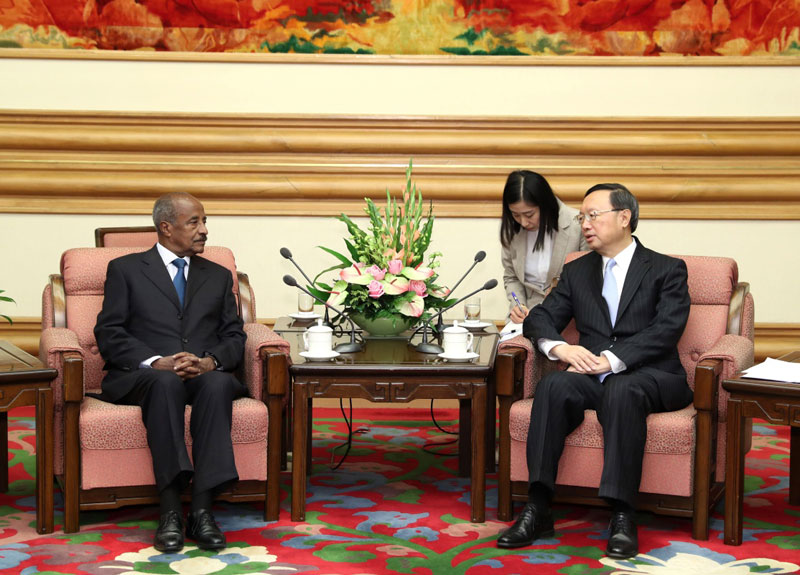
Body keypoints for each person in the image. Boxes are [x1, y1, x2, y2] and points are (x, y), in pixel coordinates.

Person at [497, 183, 692, 559]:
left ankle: (623, 514)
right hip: (593, 376)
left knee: (623, 389)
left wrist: (612, 359)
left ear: (624, 217)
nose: (585, 224)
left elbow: (666, 330)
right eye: (582, 217)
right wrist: (562, 348)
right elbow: (540, 318)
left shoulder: (666, 269)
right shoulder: (577, 271)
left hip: (652, 375)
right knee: (554, 386)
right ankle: (538, 507)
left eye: (593, 215)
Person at [94, 192, 247, 553]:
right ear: (165, 227)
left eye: (204, 221)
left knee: (217, 385)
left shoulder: (217, 275)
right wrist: (154, 360)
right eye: (194, 222)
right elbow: (109, 332)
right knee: (164, 382)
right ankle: (170, 511)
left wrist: (210, 361)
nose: (204, 230)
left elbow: (234, 335)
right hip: (147, 376)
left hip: (201, 372)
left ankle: (202, 511)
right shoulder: (126, 269)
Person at [500, 170, 587, 324]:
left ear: (545, 204)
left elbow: (587, 281)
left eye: (529, 215)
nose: (523, 222)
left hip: (569, 319)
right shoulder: (512, 231)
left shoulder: (577, 224)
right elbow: (511, 277)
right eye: (515, 215)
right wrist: (518, 306)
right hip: (525, 318)